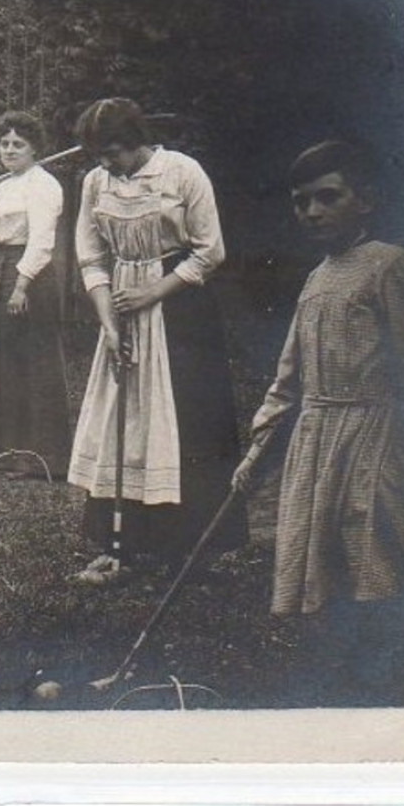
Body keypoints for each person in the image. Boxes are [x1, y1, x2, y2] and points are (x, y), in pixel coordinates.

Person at [233, 141, 404, 706]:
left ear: (364, 200)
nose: (312, 212)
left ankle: (388, 671)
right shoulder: (316, 277)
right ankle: (337, 671)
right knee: (319, 551)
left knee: (372, 546)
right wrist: (256, 451)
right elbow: (289, 377)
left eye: (327, 197)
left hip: (373, 433)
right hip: (317, 437)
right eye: (300, 203)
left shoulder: (390, 264)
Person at [67, 98, 246, 583]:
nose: (108, 164)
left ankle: (183, 550)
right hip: (121, 307)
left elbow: (211, 253)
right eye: (100, 155)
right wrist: (108, 320)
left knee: (179, 418)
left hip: (179, 309)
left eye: (116, 152)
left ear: (138, 141)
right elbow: (90, 256)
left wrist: (151, 294)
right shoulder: (95, 183)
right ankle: (117, 546)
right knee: (123, 419)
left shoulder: (183, 174)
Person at [0, 111, 72, 478]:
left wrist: (21, 285)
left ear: (35, 149)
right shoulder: (7, 184)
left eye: (18, 145)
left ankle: (38, 458)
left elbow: (41, 243)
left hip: (30, 278)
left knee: (29, 365)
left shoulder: (44, 185)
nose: (9, 150)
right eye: (4, 143)